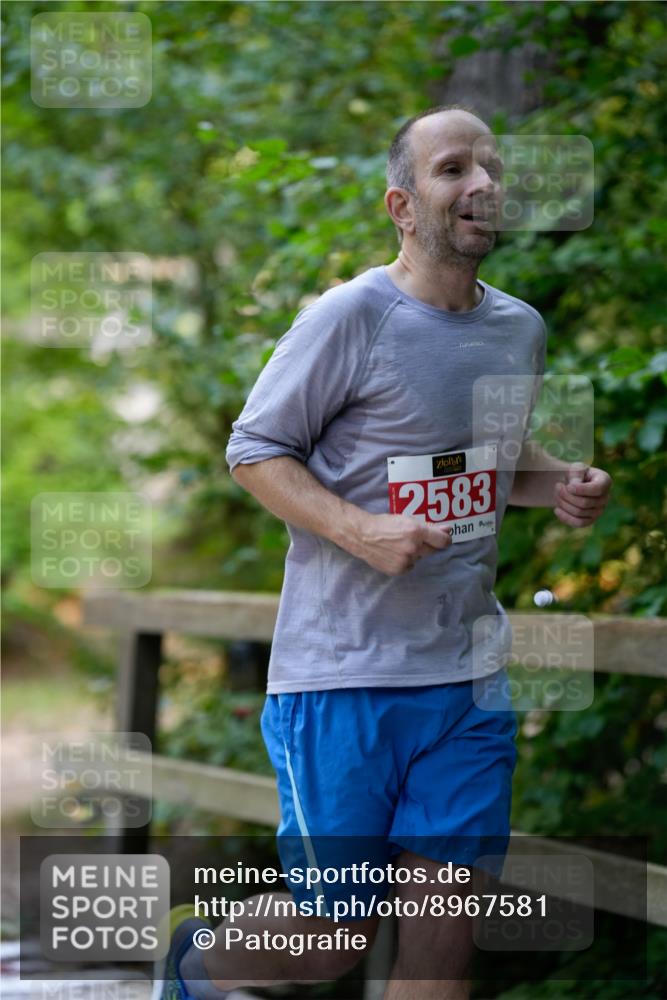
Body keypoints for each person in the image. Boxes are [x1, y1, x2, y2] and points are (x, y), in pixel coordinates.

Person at [158, 105, 612, 1000]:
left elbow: (489, 460)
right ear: (401, 206)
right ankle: (195, 961)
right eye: (453, 169)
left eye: (489, 167)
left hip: (465, 680)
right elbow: (253, 451)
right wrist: (361, 530)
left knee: (443, 950)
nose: (482, 184)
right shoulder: (349, 316)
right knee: (334, 940)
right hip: (341, 677)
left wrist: (556, 481)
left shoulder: (517, 328)